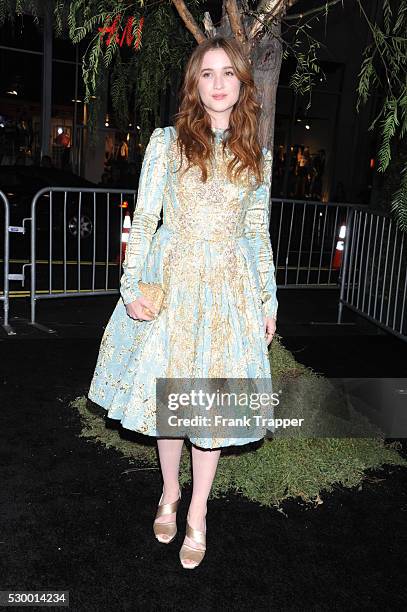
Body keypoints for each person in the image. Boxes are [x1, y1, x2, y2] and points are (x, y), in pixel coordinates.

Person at [88, 36, 278, 569]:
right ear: (195, 83)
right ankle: (169, 491)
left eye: (228, 74)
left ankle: (197, 514)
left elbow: (257, 234)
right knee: (171, 402)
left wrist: (268, 299)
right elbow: (146, 219)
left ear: (242, 84)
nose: (218, 84)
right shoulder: (167, 142)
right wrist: (131, 287)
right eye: (207, 73)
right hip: (171, 284)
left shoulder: (256, 156)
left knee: (210, 409)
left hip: (228, 292)